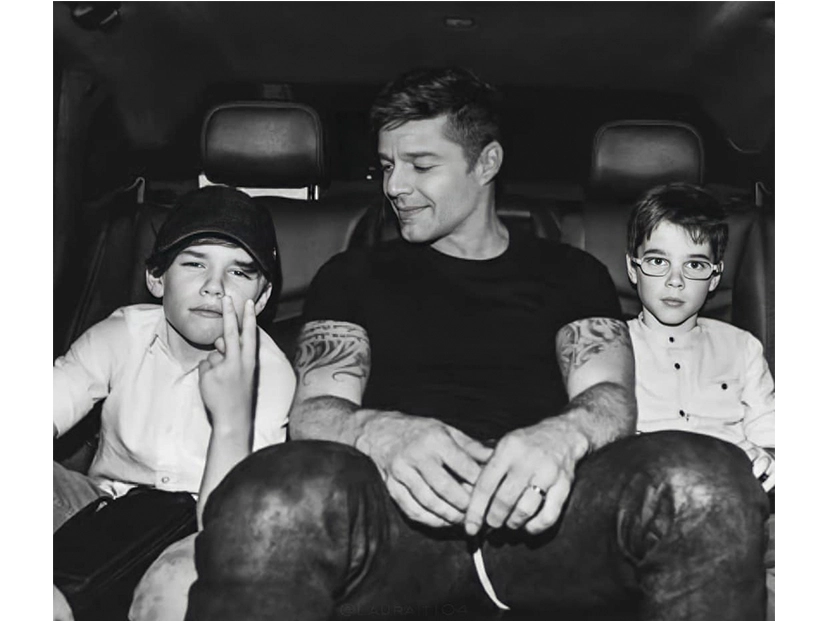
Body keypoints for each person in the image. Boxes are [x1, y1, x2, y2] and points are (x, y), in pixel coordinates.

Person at [186, 68, 769, 621]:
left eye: (421, 165)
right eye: (387, 165)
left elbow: (610, 398)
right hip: (395, 519)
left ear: (486, 162)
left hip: (547, 520)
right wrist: (379, 433)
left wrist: (562, 437)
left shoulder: (572, 274)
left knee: (706, 477)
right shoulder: (351, 276)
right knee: (268, 492)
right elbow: (317, 408)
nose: (394, 186)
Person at [53, 186, 295, 621]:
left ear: (260, 299)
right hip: (100, 507)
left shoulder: (271, 373)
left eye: (239, 272)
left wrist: (231, 415)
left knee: (179, 590)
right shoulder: (123, 333)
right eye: (194, 263)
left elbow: (228, 532)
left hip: (195, 529)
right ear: (156, 278)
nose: (214, 287)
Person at [624, 182, 775, 618]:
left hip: (743, 501)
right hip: (651, 508)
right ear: (633, 268)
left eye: (694, 265)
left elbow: (770, 434)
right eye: (658, 261)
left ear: (715, 276)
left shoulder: (741, 347)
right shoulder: (611, 347)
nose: (675, 281)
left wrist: (768, 457)